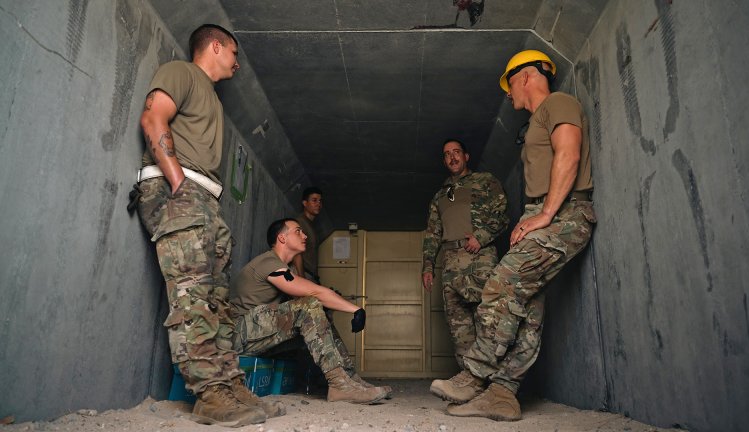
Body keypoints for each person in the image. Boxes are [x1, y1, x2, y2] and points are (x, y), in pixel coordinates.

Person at [430, 50, 596, 421]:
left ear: (526, 76)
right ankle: (503, 395)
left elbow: (568, 154)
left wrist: (547, 214)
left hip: (566, 215)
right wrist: (532, 216)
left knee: (499, 285)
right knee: (528, 312)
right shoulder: (537, 119)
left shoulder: (558, 103)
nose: (508, 95)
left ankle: (474, 376)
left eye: (509, 84)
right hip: (547, 214)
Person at [132, 24, 284, 427]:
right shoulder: (181, 72)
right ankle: (209, 396)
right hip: (180, 191)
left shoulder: (213, 99)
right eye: (234, 53)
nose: (237, 62)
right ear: (215, 46)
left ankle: (229, 385)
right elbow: (153, 119)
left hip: (204, 201)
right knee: (194, 299)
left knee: (216, 302)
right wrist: (179, 184)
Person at [229, 218, 392, 404]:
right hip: (240, 333)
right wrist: (356, 309)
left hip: (260, 334)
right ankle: (338, 385)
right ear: (282, 238)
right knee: (310, 305)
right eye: (298, 231)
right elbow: (313, 293)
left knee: (320, 314)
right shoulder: (268, 262)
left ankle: (349, 379)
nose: (304, 235)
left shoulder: (286, 268)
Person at [421, 139, 509, 371]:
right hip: (451, 263)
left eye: (456, 152)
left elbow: (501, 214)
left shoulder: (486, 181)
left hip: (480, 258)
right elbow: (432, 233)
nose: (452, 157)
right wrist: (428, 266)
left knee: (489, 319)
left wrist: (481, 236)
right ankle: (469, 381)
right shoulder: (441, 194)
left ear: (466, 156)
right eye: (447, 154)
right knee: (458, 327)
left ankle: (495, 382)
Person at [294, 187, 323, 283]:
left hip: (311, 275)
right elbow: (296, 252)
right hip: (302, 274)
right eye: (314, 200)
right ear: (305, 203)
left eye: (320, 201)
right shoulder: (300, 222)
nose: (318, 204)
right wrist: (301, 278)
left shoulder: (312, 225)